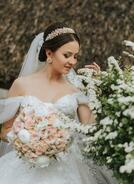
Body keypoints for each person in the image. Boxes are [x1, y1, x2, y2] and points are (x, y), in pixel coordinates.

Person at [0, 22, 116, 184]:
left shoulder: (75, 91)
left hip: (66, 168)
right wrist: (28, 142)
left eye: (75, 56)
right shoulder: (22, 85)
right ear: (49, 53)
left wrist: (96, 89)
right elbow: (5, 131)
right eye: (67, 55)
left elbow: (90, 128)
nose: (73, 61)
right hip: (25, 168)